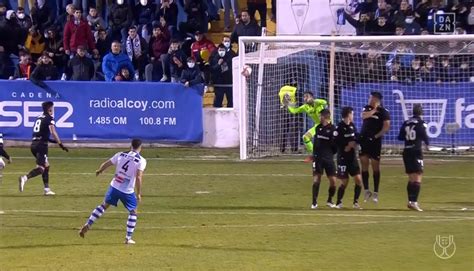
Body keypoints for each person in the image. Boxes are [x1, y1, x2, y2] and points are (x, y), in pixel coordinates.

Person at [79, 139, 146, 244]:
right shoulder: (141, 160)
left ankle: (88, 223)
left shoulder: (120, 154)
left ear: (131, 146)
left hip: (114, 186)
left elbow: (107, 163)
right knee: (133, 211)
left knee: (104, 206)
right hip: (127, 190)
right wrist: (138, 193)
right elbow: (138, 177)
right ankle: (128, 238)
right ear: (140, 147)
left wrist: (100, 170)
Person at [18, 101, 69, 195]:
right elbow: (53, 132)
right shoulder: (50, 118)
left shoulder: (39, 118)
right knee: (41, 168)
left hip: (34, 144)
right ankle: (24, 178)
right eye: (52, 108)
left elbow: (40, 133)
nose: (53, 110)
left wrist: (52, 141)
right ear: (49, 109)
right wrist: (60, 144)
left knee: (46, 165)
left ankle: (47, 189)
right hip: (41, 146)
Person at [359, 91, 390, 203]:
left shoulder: (384, 112)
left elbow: (386, 127)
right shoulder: (367, 108)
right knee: (364, 163)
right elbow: (363, 116)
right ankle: (367, 191)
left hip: (375, 142)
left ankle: (376, 192)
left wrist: (376, 136)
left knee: (375, 166)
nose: (369, 99)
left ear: (376, 99)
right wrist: (374, 110)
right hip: (364, 140)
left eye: (371, 98)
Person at [398, 104, 429, 212]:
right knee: (418, 176)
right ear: (421, 113)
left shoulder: (406, 122)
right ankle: (414, 202)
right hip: (416, 151)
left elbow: (400, 137)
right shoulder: (421, 123)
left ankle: (410, 201)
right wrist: (427, 143)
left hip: (406, 151)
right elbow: (423, 133)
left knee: (411, 177)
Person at [283, 91, 328, 162]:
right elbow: (294, 111)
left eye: (307, 96)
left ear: (312, 97)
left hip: (327, 125)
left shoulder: (318, 103)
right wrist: (287, 105)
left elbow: (325, 102)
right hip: (317, 126)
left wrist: (315, 101)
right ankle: (315, 155)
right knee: (305, 137)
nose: (305, 98)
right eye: (304, 97)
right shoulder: (305, 107)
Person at [334, 107, 363, 209]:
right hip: (342, 158)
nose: (353, 116)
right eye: (352, 114)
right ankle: (338, 202)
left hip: (352, 158)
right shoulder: (339, 127)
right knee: (344, 181)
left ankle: (355, 203)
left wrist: (356, 142)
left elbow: (356, 137)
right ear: (348, 114)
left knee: (358, 180)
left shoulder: (352, 126)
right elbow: (336, 141)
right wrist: (346, 145)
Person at [310, 109, 337, 209]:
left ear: (325, 117)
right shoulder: (318, 128)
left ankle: (330, 200)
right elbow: (316, 144)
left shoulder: (333, 130)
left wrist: (329, 154)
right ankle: (314, 202)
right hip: (318, 159)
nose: (319, 118)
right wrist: (314, 155)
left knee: (333, 181)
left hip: (329, 159)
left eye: (321, 116)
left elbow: (335, 147)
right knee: (316, 179)